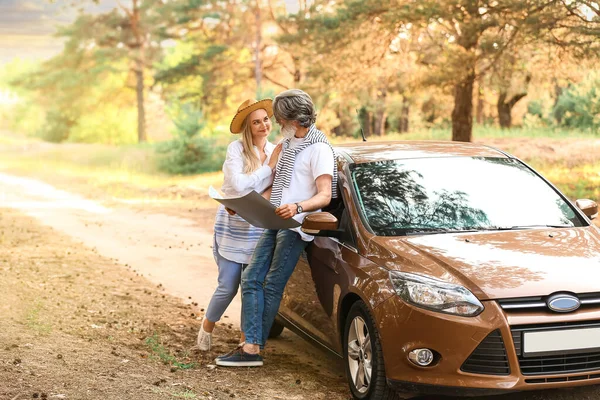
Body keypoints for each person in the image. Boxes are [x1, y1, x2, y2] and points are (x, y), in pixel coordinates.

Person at [215, 89, 337, 366]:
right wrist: (244, 205)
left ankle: (251, 349)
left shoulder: (319, 149)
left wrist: (297, 207)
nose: (277, 125)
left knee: (271, 284)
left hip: (296, 226)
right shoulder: (289, 143)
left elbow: (324, 195)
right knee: (251, 278)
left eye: (281, 120)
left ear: (295, 119)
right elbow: (276, 187)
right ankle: (250, 342)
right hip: (274, 220)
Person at [197, 98, 282, 351]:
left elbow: (275, 189)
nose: (263, 125)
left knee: (251, 285)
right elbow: (238, 186)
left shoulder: (278, 149)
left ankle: (246, 338)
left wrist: (258, 191)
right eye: (256, 122)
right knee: (228, 284)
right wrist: (268, 169)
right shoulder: (236, 150)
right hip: (232, 226)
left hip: (258, 226)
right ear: (247, 126)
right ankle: (206, 327)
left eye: (265, 119)